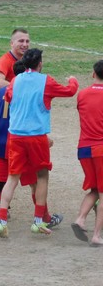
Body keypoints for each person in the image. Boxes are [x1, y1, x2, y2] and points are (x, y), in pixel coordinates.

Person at [0, 48, 79, 238]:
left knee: (12, 178)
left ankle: (1, 220)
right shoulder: (45, 81)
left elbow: (8, 96)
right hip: (36, 136)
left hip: (15, 136)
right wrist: (73, 80)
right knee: (42, 176)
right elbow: (70, 91)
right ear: (39, 63)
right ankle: (38, 221)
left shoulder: (15, 81)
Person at [0, 60, 62, 236]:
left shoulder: (2, 91)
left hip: (2, 145)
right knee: (37, 181)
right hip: (21, 145)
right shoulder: (28, 92)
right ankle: (43, 218)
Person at [0, 29, 30, 205]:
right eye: (21, 41)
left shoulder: (25, 62)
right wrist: (20, 86)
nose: (24, 44)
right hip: (0, 118)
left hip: (13, 118)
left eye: (27, 41)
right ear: (12, 43)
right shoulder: (5, 60)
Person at [71, 60, 103, 247]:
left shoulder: (82, 94)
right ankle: (97, 235)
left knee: (94, 189)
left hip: (84, 149)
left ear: (93, 74)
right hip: (101, 149)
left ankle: (80, 219)